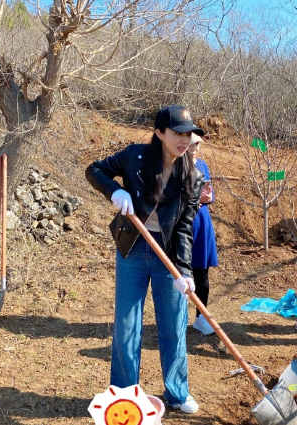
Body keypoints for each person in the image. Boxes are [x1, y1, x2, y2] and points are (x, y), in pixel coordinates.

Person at [85, 104, 205, 413]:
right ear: (160, 133)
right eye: (177, 133)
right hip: (133, 250)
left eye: (188, 133)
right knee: (127, 325)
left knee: (174, 325)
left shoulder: (193, 175)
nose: (184, 139)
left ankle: (177, 394)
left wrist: (184, 270)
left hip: (168, 254)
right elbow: (94, 170)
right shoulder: (135, 157)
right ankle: (124, 394)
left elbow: (184, 227)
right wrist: (115, 191)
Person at [187, 133, 219, 336]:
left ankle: (201, 317)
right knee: (178, 274)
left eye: (197, 144)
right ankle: (176, 317)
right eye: (192, 144)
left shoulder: (203, 165)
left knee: (201, 273)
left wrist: (207, 198)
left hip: (201, 222)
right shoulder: (174, 165)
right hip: (182, 222)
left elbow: (210, 194)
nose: (195, 148)